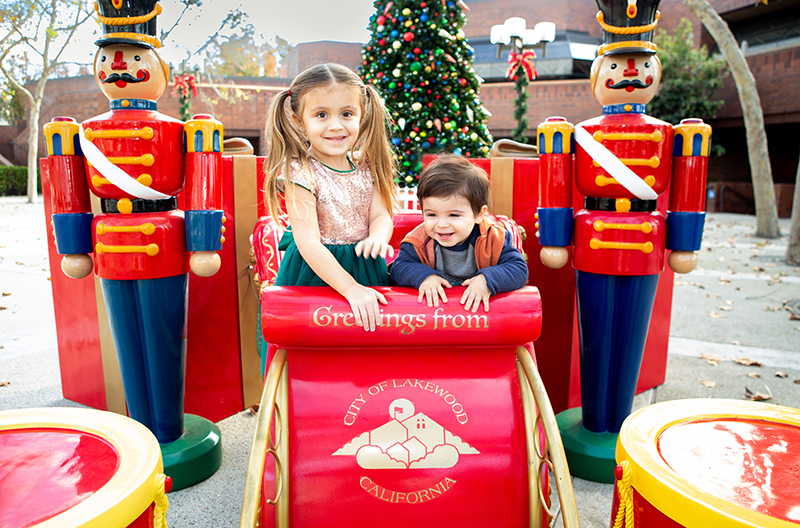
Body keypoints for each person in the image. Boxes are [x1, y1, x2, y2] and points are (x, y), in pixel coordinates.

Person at [262, 64, 397, 332]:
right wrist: (350, 288)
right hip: (316, 272)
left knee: (368, 343)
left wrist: (377, 239)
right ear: (299, 120)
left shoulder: (369, 165)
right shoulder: (299, 172)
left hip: (365, 267)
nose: (336, 126)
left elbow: (381, 215)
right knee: (318, 347)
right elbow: (308, 242)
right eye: (321, 115)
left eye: (347, 114)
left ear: (361, 115)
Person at [390, 155, 528, 312]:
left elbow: (519, 269)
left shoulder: (494, 238)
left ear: (479, 214)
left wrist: (487, 280)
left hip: (480, 318)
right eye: (431, 215)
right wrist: (424, 276)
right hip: (434, 316)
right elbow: (399, 268)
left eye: (453, 215)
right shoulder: (418, 241)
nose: (441, 224)